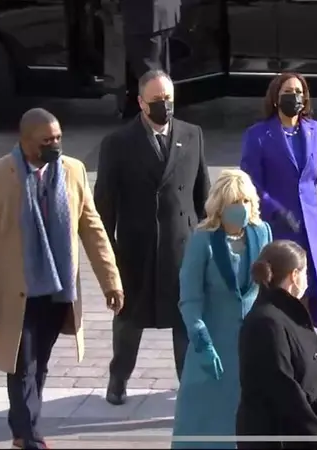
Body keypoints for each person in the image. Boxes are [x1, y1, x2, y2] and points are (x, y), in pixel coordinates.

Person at [0, 108, 124, 450]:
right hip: (15, 292)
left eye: (58, 138)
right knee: (23, 363)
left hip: (57, 288)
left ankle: (23, 426)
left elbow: (92, 228)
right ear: (25, 142)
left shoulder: (72, 171)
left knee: (40, 363)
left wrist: (111, 281)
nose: (55, 145)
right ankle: (28, 436)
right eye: (46, 140)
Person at [95, 69, 211, 405]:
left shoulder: (192, 135)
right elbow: (104, 206)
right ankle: (118, 379)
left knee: (185, 321)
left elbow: (203, 197)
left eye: (169, 100)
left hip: (182, 248)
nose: (165, 106)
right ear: (141, 103)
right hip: (137, 250)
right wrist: (109, 259)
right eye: (158, 100)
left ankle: (188, 383)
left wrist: (208, 243)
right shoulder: (117, 143)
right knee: (129, 322)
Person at [171, 169, 272, 449]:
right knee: (205, 419)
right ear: (219, 206)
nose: (241, 208)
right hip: (213, 342)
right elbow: (189, 299)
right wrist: (201, 341)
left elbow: (269, 290)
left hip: (251, 345)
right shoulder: (202, 240)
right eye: (233, 202)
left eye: (246, 201)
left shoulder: (262, 232)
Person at [239, 72, 317, 334]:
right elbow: (251, 186)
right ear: (275, 98)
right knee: (281, 288)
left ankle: (303, 341)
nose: (294, 97)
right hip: (277, 228)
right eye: (287, 92)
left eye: (298, 92)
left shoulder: (313, 130)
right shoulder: (258, 135)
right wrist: (276, 209)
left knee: (306, 287)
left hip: (308, 230)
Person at [237, 240, 317, 449]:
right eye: (305, 273)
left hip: (300, 432)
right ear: (294, 275)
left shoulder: (288, 314)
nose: (307, 280)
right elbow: (282, 387)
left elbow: (312, 376)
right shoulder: (266, 323)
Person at [120, 0, 182, 118]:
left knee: (149, 72)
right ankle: (164, 115)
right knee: (160, 69)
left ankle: (158, 119)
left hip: (145, 15)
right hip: (163, 11)